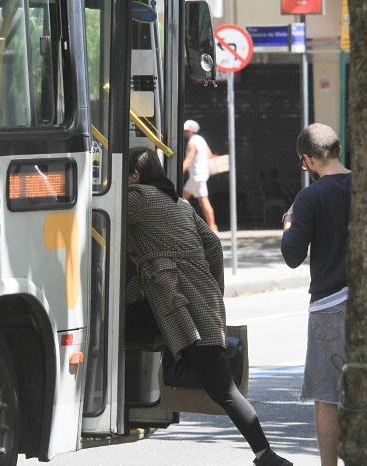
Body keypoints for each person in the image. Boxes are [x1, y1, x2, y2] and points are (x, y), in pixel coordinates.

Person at [126, 146, 292, 466]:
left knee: (108, 333)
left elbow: (92, 209)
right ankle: (264, 452)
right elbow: (214, 244)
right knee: (224, 389)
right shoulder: (180, 205)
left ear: (134, 175)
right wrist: (212, 288)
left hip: (170, 300)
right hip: (197, 303)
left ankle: (267, 454)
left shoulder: (137, 198)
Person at [280, 123, 351, 466]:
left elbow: (292, 256)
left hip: (330, 304)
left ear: (307, 159)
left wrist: (290, 224)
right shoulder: (366, 185)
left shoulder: (309, 197)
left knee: (327, 396)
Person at [182, 119, 218, 232]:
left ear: (191, 131)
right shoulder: (201, 140)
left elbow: (189, 159)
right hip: (202, 174)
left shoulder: (192, 142)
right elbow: (210, 155)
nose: (184, 133)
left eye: (186, 131)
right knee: (201, 201)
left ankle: (211, 227)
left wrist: (178, 172)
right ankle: (212, 227)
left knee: (181, 199)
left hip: (196, 176)